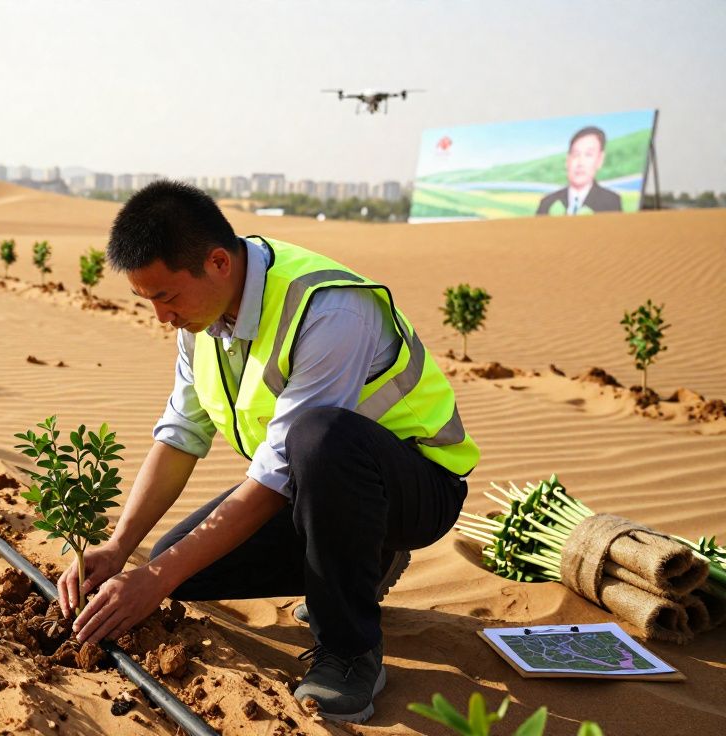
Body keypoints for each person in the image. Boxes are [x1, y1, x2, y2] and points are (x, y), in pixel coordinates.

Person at [60, 181, 477, 724]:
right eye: (149, 301)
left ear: (216, 263)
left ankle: (350, 652)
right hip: (315, 487)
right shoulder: (202, 317)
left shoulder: (328, 310)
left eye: (165, 297)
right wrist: (120, 549)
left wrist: (153, 579)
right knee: (182, 564)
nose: (161, 318)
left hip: (416, 486)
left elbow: (281, 471)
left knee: (318, 435)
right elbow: (181, 434)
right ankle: (364, 558)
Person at [536, 126, 623, 215]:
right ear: (567, 160)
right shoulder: (547, 203)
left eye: (588, 154)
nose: (580, 163)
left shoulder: (611, 202)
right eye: (576, 154)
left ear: (600, 160)